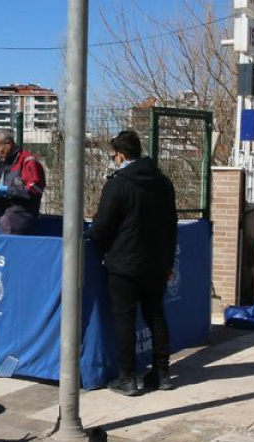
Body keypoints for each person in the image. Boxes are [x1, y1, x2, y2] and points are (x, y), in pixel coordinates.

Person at [87, 131, 177, 396]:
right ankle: (162, 374)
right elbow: (171, 226)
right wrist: (168, 260)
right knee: (156, 315)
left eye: (114, 155)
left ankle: (127, 378)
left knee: (124, 319)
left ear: (121, 155)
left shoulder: (118, 184)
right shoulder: (163, 182)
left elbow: (102, 226)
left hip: (124, 263)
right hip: (157, 263)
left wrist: (93, 234)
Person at [0, 129, 45, 234]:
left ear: (8, 143)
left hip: (19, 227)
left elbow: (36, 190)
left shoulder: (28, 162)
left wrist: (8, 191)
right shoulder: (0, 164)